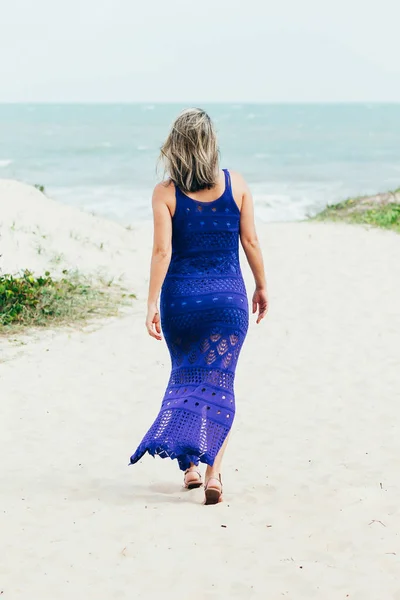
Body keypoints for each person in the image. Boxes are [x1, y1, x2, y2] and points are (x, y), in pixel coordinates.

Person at [130, 108, 268, 505]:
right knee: (219, 384)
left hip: (182, 303)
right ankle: (213, 476)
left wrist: (152, 302)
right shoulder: (236, 184)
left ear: (174, 148)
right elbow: (252, 243)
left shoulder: (165, 193)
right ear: (211, 146)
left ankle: (189, 469)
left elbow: (161, 251)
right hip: (228, 303)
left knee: (186, 376)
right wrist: (261, 285)